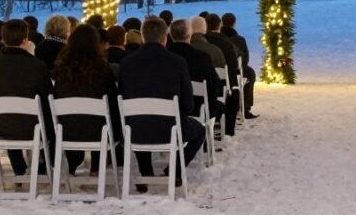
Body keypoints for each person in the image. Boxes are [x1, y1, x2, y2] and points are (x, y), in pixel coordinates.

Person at [118, 17, 206, 186]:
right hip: (170, 129)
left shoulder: (127, 64)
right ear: (165, 38)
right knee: (200, 131)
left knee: (140, 119)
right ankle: (174, 170)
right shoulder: (177, 63)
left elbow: (122, 95)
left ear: (143, 37)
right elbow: (188, 104)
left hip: (134, 130)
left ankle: (146, 171)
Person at [0, 19, 54, 176]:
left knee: (8, 116)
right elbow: (48, 97)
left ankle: (18, 166)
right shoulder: (37, 66)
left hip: (0, 128)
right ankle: (43, 163)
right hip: (33, 129)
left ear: (3, 39)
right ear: (25, 39)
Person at [52, 24, 119, 174]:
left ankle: (72, 162)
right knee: (103, 118)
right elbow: (112, 101)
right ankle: (96, 166)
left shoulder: (61, 71)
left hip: (67, 131)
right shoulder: (104, 70)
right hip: (99, 131)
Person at [168, 19, 230, 136]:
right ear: (189, 34)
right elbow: (214, 87)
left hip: (168, 110)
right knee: (220, 106)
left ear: (171, 35)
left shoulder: (164, 58)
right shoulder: (202, 58)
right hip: (198, 109)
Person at [221, 12, 258, 119]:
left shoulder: (218, 38)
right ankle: (245, 107)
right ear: (234, 23)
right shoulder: (239, 40)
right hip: (235, 71)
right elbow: (245, 60)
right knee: (250, 73)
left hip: (220, 70)